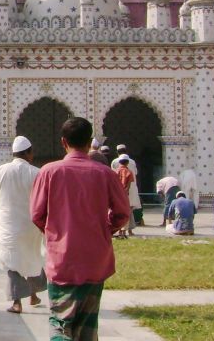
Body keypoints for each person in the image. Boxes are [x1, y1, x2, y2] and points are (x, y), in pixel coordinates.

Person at [30, 117, 130, 341]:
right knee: (88, 325)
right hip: (95, 259)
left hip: (62, 259)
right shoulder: (105, 174)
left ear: (63, 142)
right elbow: (123, 213)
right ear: (89, 143)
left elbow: (37, 214)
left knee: (60, 323)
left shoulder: (49, 172)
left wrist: (55, 233)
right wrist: (104, 230)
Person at [0, 135, 45, 314]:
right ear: (29, 153)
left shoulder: (2, 171)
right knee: (32, 258)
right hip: (32, 226)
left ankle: (17, 302)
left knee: (13, 263)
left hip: (9, 227)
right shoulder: (36, 173)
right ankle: (33, 295)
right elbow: (46, 201)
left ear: (14, 153)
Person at [110, 144, 142, 225]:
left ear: (117, 152)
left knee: (121, 208)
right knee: (129, 208)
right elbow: (136, 173)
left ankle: (124, 226)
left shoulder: (115, 162)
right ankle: (128, 226)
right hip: (131, 188)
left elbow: (113, 175)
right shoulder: (132, 162)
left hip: (120, 188)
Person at [114, 155, 137, 238]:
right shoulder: (128, 172)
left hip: (116, 195)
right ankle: (123, 231)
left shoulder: (115, 172)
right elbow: (128, 186)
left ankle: (119, 231)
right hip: (124, 195)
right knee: (124, 212)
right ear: (127, 163)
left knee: (117, 212)